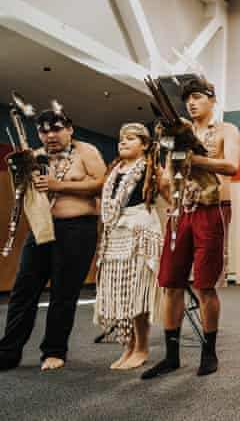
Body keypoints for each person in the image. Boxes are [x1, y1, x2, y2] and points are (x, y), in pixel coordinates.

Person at [142, 77, 240, 379]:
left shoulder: (227, 130)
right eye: (188, 99)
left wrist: (196, 158)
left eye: (198, 96)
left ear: (212, 99)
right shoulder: (178, 133)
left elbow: (232, 166)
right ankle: (171, 356)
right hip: (181, 210)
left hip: (212, 209)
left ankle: (208, 351)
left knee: (205, 284)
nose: (192, 103)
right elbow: (171, 175)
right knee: (170, 283)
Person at [0, 104, 106, 371]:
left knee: (63, 292)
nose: (50, 136)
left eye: (57, 129)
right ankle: (8, 352)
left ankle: (54, 351)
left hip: (77, 229)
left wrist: (61, 186)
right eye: (44, 131)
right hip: (42, 228)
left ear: (69, 129)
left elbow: (102, 184)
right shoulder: (35, 156)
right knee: (23, 291)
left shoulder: (87, 152)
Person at [94, 123, 166, 370]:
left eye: (130, 138)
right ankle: (128, 346)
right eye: (120, 139)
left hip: (140, 231)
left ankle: (142, 347)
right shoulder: (114, 170)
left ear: (145, 145)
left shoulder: (152, 169)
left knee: (136, 292)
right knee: (119, 292)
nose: (122, 142)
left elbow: (171, 195)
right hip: (115, 234)